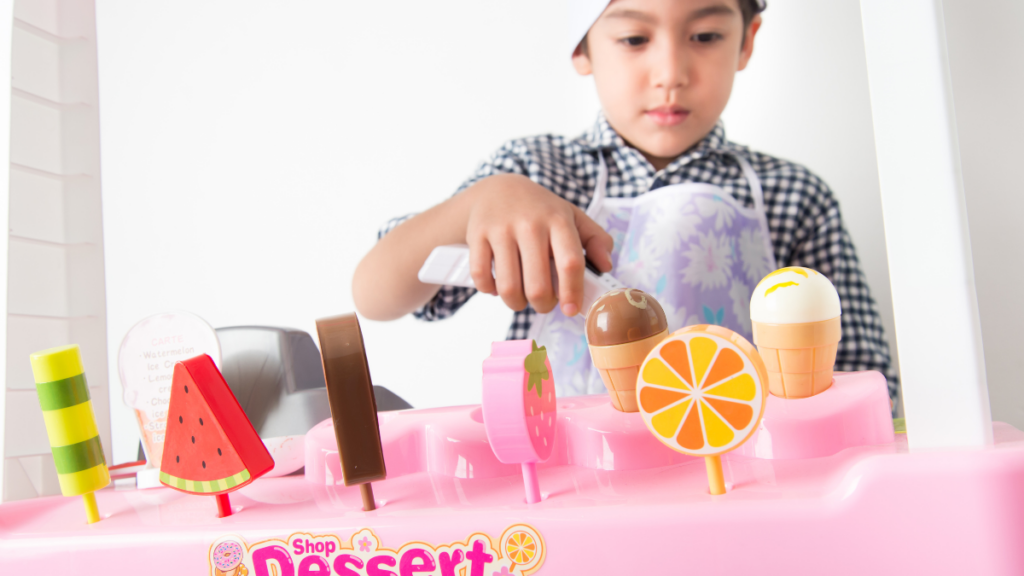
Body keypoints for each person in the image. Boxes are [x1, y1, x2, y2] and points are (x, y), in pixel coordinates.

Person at [352, 0, 899, 409]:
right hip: (568, 486)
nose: (670, 74)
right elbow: (376, 295)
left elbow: (865, 382)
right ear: (581, 46)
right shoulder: (537, 175)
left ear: (747, 40)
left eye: (705, 35)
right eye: (635, 39)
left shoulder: (795, 196)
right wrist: (481, 201)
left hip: (740, 484)